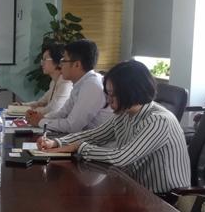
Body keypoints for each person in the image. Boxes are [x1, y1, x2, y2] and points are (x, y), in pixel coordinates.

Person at [37, 60, 191, 194]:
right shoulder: (125, 112)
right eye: (107, 94)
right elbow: (94, 135)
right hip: (136, 190)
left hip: (165, 199)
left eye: (112, 94)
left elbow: (120, 157)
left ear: (130, 92)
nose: (108, 100)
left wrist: (79, 147)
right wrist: (56, 143)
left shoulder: (158, 120)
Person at [29, 39, 113, 134]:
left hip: (97, 142)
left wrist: (41, 122)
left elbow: (72, 126)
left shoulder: (92, 85)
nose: (60, 65)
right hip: (83, 139)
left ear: (77, 65)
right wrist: (40, 118)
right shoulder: (81, 83)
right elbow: (63, 113)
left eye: (64, 61)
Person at [24, 42, 73, 122]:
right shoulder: (54, 82)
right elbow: (41, 102)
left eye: (45, 59)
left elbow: (54, 109)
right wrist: (22, 105)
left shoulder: (66, 83)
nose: (42, 63)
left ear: (58, 61)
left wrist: (33, 112)